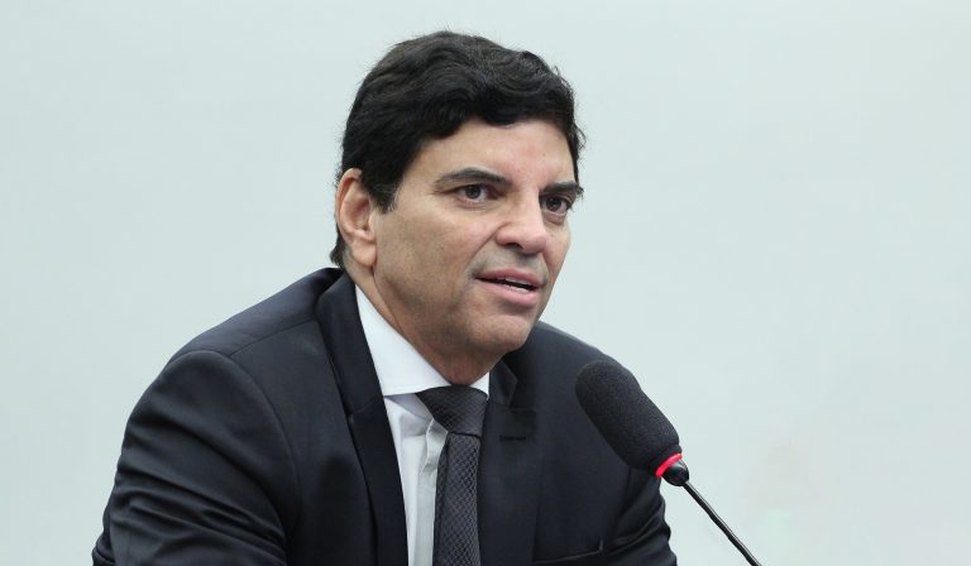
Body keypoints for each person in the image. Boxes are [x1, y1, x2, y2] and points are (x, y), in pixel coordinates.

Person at [93, 31, 677, 565]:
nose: (532, 234)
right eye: (477, 192)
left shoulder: (595, 421)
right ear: (361, 214)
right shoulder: (231, 407)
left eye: (554, 204)